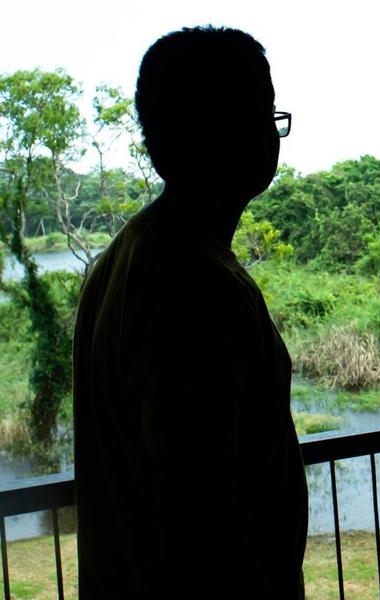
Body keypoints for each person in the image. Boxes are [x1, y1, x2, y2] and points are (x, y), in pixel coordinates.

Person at [72, 26, 307, 598]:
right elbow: (198, 512)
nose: (273, 134)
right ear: (228, 131)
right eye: (264, 114)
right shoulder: (194, 282)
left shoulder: (128, 258)